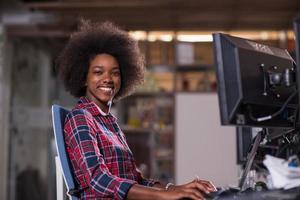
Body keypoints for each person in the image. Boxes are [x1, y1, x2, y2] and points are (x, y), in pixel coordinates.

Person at [56, 19, 216, 200]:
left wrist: (175, 189)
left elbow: (135, 179)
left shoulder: (110, 123)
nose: (108, 78)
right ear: (83, 77)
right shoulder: (81, 118)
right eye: (98, 72)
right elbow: (99, 180)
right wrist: (165, 196)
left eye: (115, 72)